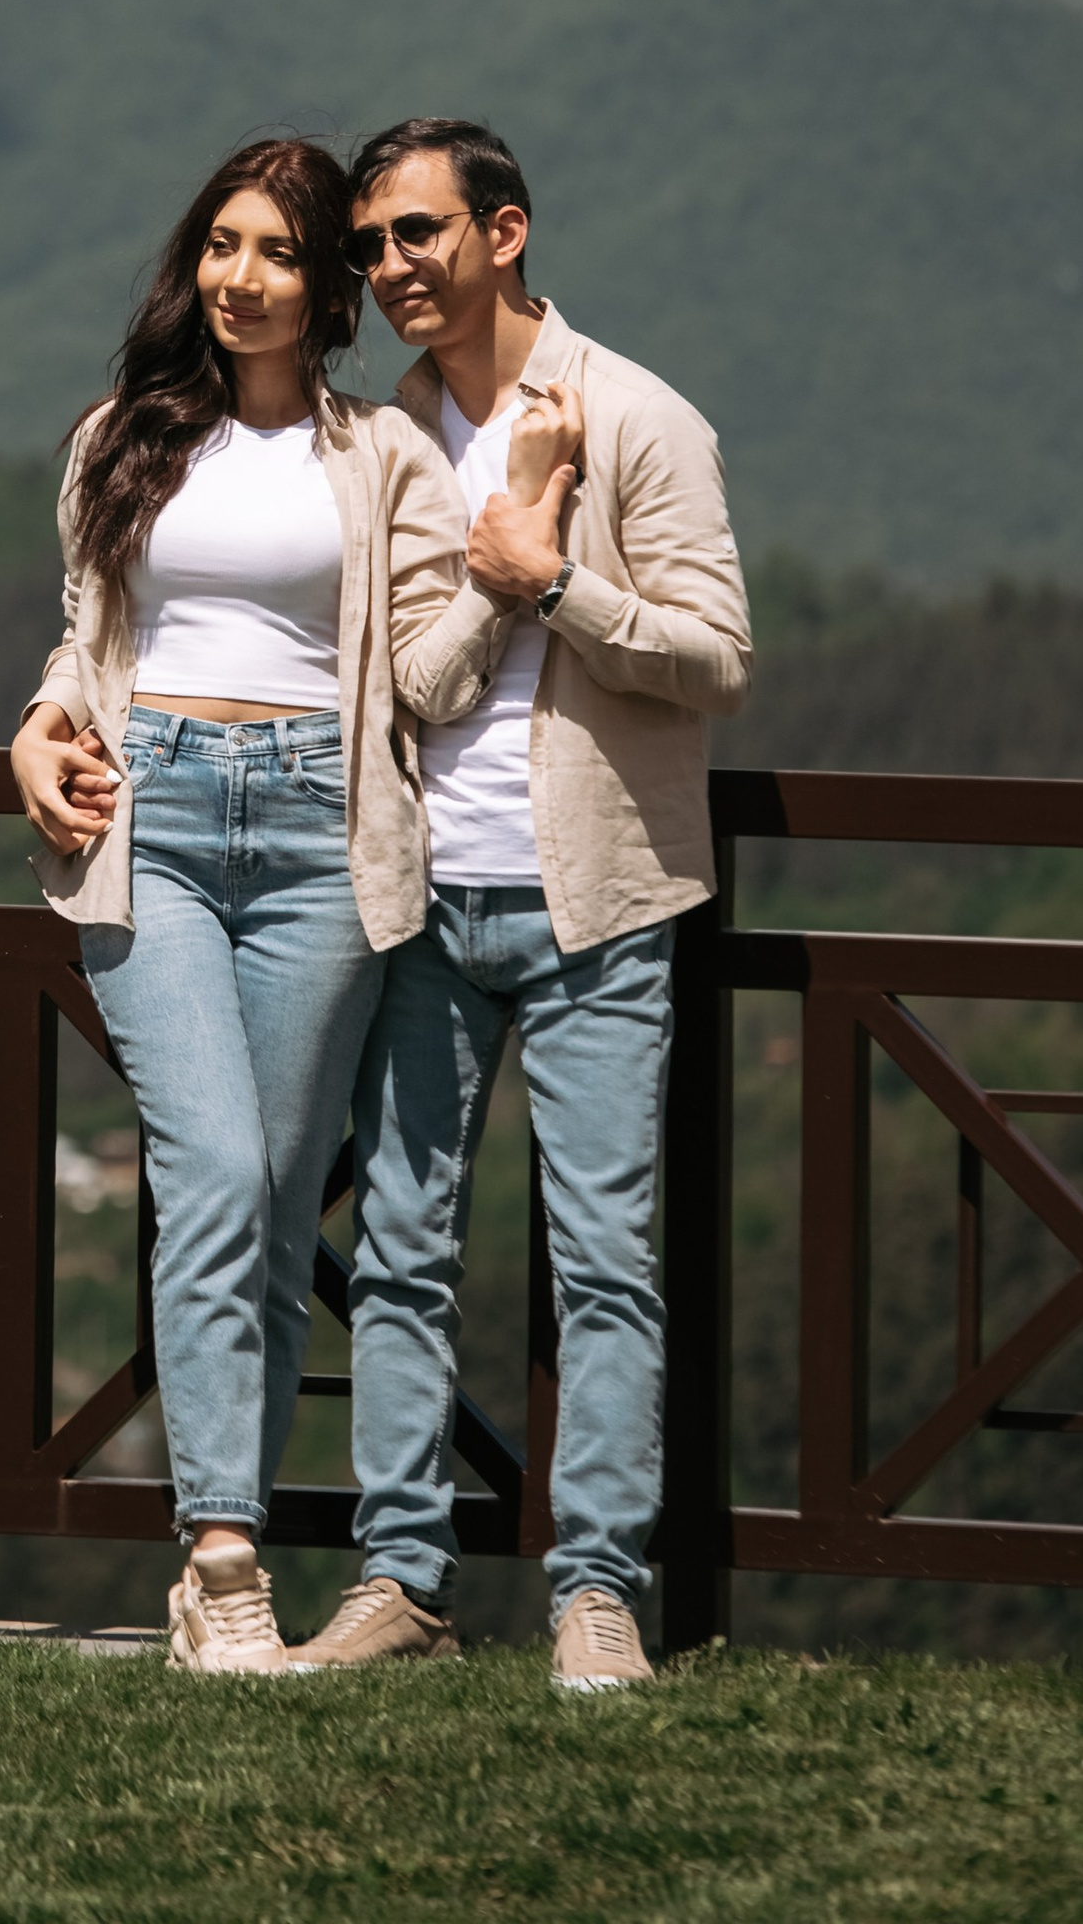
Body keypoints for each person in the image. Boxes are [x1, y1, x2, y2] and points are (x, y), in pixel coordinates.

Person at [11, 135, 575, 1676]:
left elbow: (421, 681)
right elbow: (88, 639)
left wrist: (511, 570)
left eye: (272, 254)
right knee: (210, 1169)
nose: (236, 279)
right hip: (158, 821)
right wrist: (35, 727)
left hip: (328, 838)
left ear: (328, 289)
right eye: (217, 247)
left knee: (267, 1193)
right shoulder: (119, 439)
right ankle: (226, 1559)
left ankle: (217, 1564)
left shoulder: (378, 456)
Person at [293, 116, 751, 1694]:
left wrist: (559, 580)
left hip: (599, 907)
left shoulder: (638, 417)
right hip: (423, 901)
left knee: (605, 1259)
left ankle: (598, 1597)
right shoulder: (388, 439)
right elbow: (406, 681)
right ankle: (400, 1579)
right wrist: (504, 577)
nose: (390, 269)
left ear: (507, 232)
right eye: (367, 247)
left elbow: (720, 660)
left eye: (416, 234)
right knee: (403, 1251)